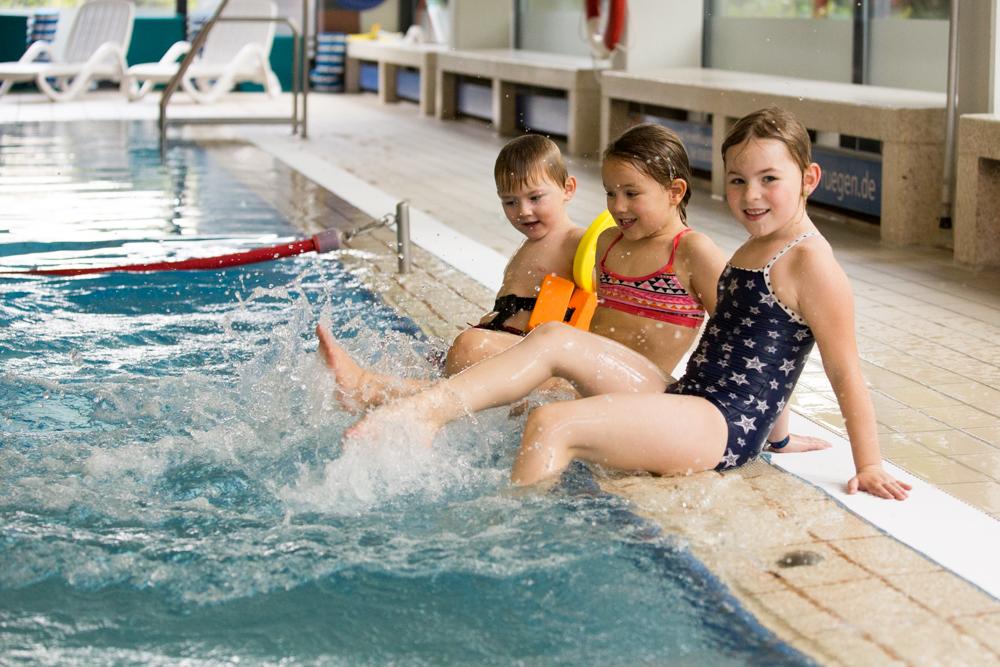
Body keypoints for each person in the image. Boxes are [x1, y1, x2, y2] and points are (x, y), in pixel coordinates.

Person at [347, 107, 907, 500]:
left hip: (719, 425)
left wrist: (869, 464)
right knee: (552, 339)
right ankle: (424, 412)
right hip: (690, 398)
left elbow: (842, 369)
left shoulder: (812, 262)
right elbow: (760, 351)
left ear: (808, 178)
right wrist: (780, 437)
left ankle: (508, 535)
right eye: (737, 181)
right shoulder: (756, 247)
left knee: (551, 422)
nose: (750, 195)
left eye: (769, 179)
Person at [317, 133, 585, 408]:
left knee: (470, 346)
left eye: (535, 197)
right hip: (510, 355)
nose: (523, 211)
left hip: (536, 367)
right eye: (510, 202)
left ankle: (366, 389)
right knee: (424, 357)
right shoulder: (532, 243)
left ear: (568, 189)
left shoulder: (576, 243)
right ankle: (376, 392)